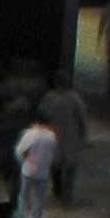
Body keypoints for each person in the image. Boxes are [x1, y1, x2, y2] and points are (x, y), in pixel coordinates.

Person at [36, 74, 89, 206]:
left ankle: (58, 191)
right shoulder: (75, 98)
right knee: (69, 166)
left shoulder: (50, 98)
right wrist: (83, 136)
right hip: (71, 136)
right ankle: (67, 194)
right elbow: (82, 119)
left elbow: (42, 114)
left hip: (53, 135)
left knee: (55, 165)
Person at [13, 117, 58, 218]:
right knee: (39, 198)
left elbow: (19, 151)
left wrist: (23, 161)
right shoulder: (51, 136)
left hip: (29, 169)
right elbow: (53, 152)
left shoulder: (30, 134)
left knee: (24, 195)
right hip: (44, 171)